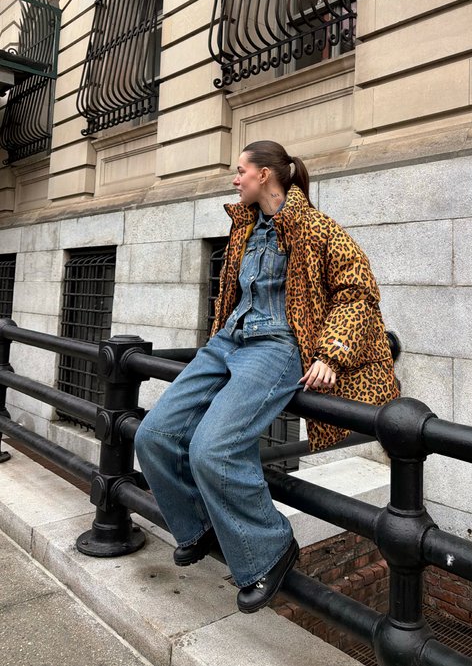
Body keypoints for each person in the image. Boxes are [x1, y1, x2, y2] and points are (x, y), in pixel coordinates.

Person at [134, 140, 398, 613]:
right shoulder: (244, 226)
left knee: (213, 448)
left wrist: (331, 354)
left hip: (277, 346)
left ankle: (269, 549)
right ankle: (198, 526)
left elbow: (357, 292)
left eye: (241, 171)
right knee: (153, 435)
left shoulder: (315, 227)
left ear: (266, 175)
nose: (235, 180)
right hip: (227, 341)